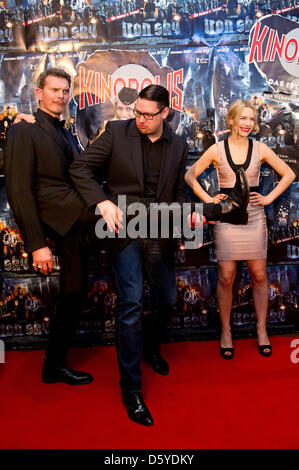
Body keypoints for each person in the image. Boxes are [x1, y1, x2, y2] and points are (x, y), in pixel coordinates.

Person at [69, 84, 250, 426]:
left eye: (148, 115)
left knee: (166, 299)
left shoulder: (178, 144)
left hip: (160, 229)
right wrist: (102, 201)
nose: (140, 119)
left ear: (165, 113)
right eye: (137, 112)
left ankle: (150, 347)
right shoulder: (116, 132)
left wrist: (190, 215)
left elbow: (177, 193)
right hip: (123, 228)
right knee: (132, 303)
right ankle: (132, 388)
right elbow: (80, 169)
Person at [4, 67, 101, 385]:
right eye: (54, 90)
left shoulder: (64, 130)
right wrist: (36, 244)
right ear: (39, 93)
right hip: (61, 217)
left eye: (65, 91)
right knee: (127, 211)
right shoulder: (23, 128)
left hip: (74, 221)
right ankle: (181, 215)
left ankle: (53, 366)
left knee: (74, 291)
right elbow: (18, 189)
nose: (61, 95)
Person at [185, 99, 296, 360]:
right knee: (226, 276)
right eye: (242, 118)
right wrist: (208, 198)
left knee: (258, 275)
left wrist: (268, 199)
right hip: (226, 220)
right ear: (232, 120)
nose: (247, 123)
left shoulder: (260, 148)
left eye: (251, 119)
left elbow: (289, 174)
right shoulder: (217, 149)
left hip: (255, 217)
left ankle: (261, 329)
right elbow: (190, 175)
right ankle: (225, 331)